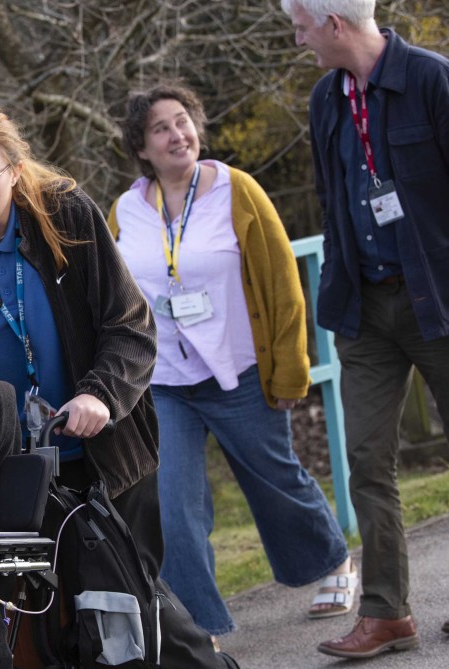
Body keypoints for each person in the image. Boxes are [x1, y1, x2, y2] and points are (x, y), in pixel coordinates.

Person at [0, 104, 244, 669]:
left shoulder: (66, 218)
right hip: (23, 471)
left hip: (109, 451)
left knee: (128, 601)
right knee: (58, 621)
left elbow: (130, 325)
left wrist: (99, 394)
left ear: (14, 170)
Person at [106, 84, 355, 639]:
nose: (178, 134)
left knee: (273, 479)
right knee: (172, 503)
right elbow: (114, 295)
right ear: (141, 147)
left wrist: (291, 368)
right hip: (163, 381)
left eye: (183, 121)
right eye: (161, 128)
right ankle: (199, 627)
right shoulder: (125, 210)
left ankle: (333, 562)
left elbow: (282, 285)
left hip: (238, 371)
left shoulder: (236, 190)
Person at [281, 0, 449, 656]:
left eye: (301, 26)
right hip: (365, 310)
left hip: (442, 300)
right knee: (365, 460)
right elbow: (331, 199)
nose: (298, 40)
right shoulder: (326, 99)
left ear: (333, 24)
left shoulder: (434, 79)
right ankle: (387, 612)